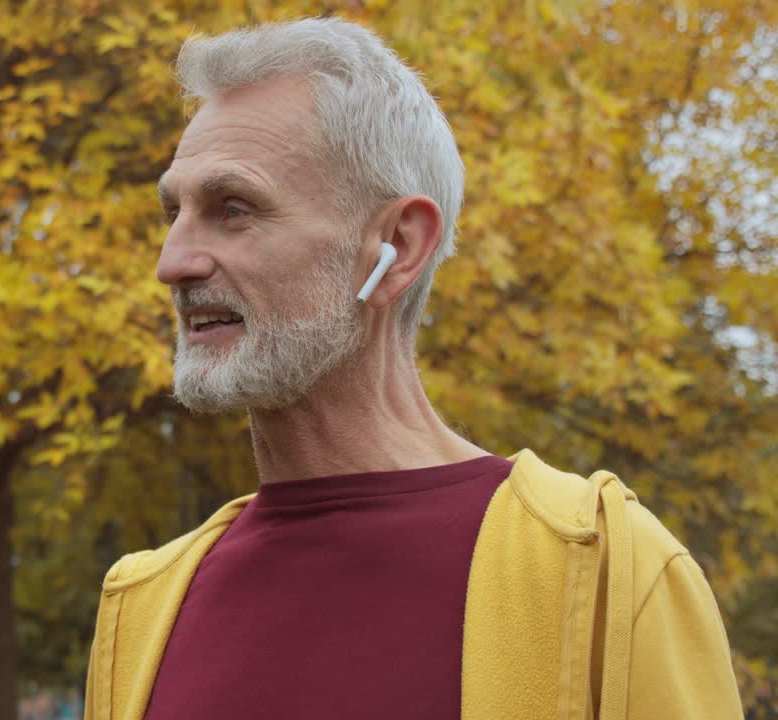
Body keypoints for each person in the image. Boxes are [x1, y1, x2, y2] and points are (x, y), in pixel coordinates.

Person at [83, 17, 742, 720]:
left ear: (398, 245)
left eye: (233, 209)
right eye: (173, 212)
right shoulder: (140, 610)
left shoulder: (604, 569)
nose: (173, 263)